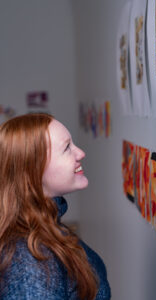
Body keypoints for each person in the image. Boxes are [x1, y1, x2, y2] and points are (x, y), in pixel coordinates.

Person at [0, 113, 111, 300]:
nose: (80, 153)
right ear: (33, 170)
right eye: (67, 148)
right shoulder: (30, 259)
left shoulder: (45, 224)